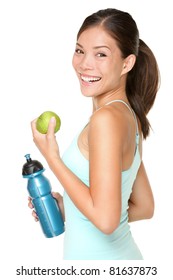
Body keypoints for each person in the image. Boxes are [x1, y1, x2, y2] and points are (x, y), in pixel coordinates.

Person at [28, 8, 160, 260]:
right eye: (80, 50)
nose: (84, 63)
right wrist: (72, 210)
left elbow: (107, 220)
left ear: (127, 63)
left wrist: (51, 157)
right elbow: (143, 206)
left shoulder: (106, 119)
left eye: (101, 54)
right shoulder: (128, 116)